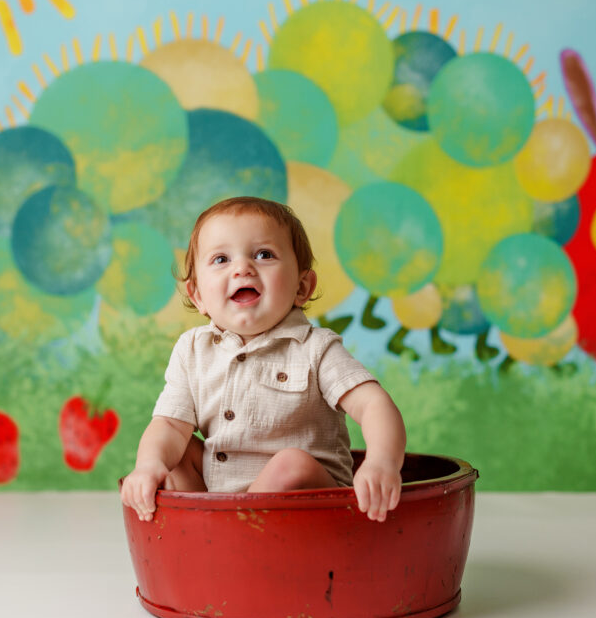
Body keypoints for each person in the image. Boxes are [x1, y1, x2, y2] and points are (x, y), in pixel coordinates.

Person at [120, 197, 406, 523]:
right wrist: (148, 465)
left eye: (264, 255)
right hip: (219, 496)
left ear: (302, 287)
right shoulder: (192, 350)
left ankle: (229, 538)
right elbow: (169, 424)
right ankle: (204, 529)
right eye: (221, 259)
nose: (243, 268)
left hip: (308, 502)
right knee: (175, 451)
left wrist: (381, 461)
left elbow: (373, 404)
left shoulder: (316, 348)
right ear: (198, 295)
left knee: (291, 463)